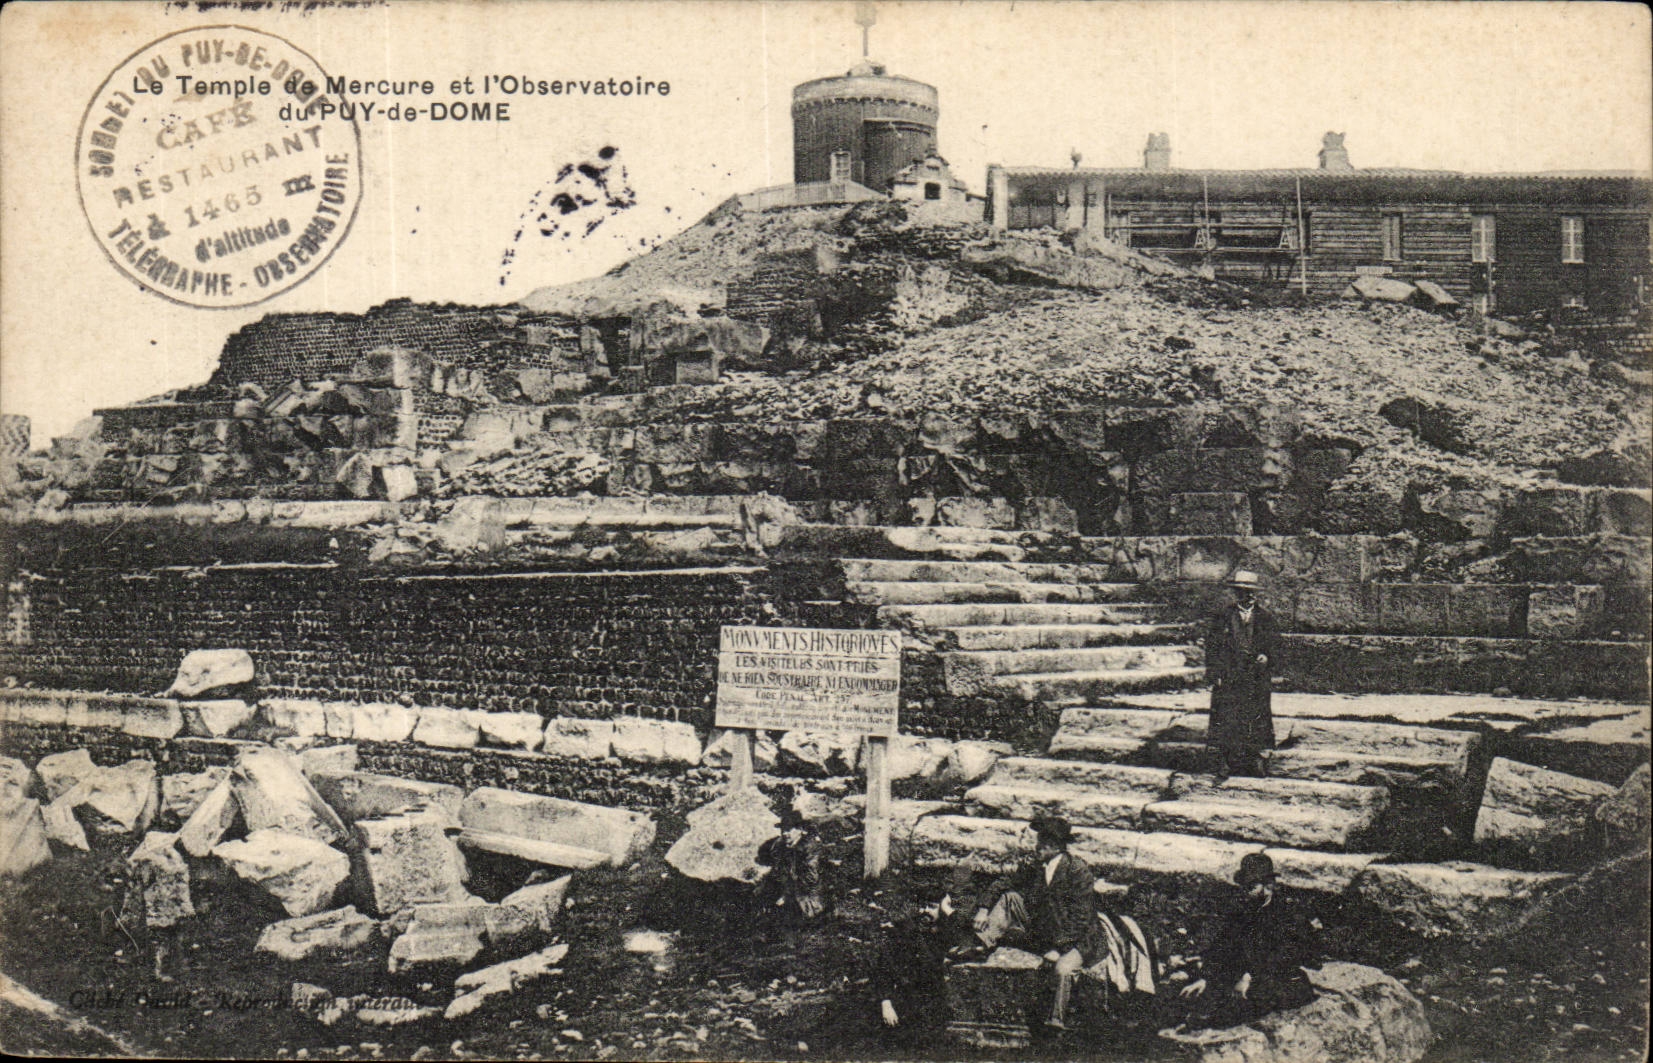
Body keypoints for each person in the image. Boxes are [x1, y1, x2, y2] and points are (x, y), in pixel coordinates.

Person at [970, 816, 1105, 1031]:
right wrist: (984, 908)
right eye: (1040, 841)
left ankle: (1056, 1022)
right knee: (1010, 898)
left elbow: (1081, 919)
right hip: (1045, 929)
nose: (1039, 846)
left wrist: (1059, 948)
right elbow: (1003, 883)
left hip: (1079, 939)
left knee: (1062, 970)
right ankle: (980, 944)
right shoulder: (1036, 866)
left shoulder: (1077, 871)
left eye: (1045, 843)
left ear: (1058, 846)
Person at [1178, 852, 1317, 1027]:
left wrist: (1250, 977)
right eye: (1245, 886)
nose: (1246, 890)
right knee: (1202, 996)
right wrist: (1205, 978)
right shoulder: (1241, 913)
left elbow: (1289, 955)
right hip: (1248, 980)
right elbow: (1222, 948)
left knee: (1247, 1002)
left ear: (1269, 885)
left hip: (1282, 981)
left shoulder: (1288, 914)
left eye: (1251, 886)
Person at [1204, 570, 1282, 779]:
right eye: (1241, 592)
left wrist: (1266, 656)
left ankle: (1256, 760)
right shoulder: (1223, 617)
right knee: (1227, 716)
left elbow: (1275, 644)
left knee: (1256, 715)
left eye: (1249, 592)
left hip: (1256, 676)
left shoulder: (1264, 617)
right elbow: (1212, 647)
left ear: (1254, 594)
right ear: (1235, 593)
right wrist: (1215, 673)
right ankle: (1226, 762)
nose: (1245, 596)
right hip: (1230, 674)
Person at [754, 788, 825, 923]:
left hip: (807, 898)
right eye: (783, 830)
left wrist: (785, 895)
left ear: (800, 830)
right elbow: (777, 871)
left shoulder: (810, 849)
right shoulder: (781, 846)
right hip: (788, 892)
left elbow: (809, 879)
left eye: (789, 830)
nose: (785, 833)